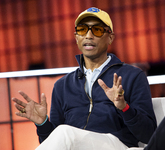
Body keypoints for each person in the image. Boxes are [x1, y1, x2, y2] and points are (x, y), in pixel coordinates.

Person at [12, 7, 156, 149]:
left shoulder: (132, 76)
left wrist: (123, 108)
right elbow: (52, 143)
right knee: (63, 134)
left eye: (97, 30)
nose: (88, 36)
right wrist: (42, 124)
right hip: (75, 144)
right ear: (76, 38)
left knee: (64, 133)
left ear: (110, 37)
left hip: (117, 144)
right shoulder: (62, 85)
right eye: (82, 30)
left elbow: (149, 134)